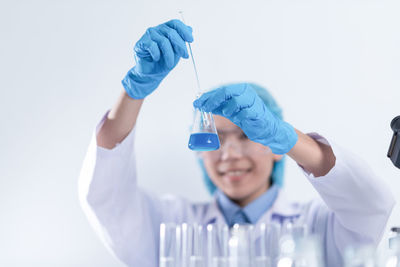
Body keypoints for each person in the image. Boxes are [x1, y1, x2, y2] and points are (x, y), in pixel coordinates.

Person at [79, 19, 395, 267]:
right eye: (216, 139)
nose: (229, 153)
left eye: (246, 135)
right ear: (201, 153)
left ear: (275, 148)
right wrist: (135, 90)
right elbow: (106, 199)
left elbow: (371, 205)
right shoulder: (172, 224)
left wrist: (289, 138)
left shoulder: (316, 226)